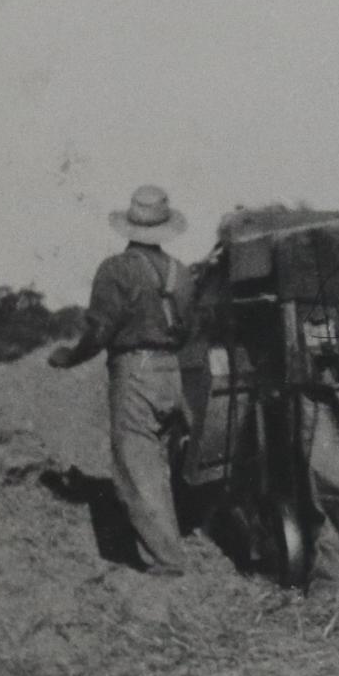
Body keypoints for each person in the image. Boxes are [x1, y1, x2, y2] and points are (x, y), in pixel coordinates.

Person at [49, 185, 196, 577]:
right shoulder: (182, 274)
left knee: (137, 463)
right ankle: (170, 543)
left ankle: (167, 560)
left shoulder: (116, 269)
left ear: (129, 226)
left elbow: (99, 331)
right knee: (158, 461)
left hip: (136, 371)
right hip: (171, 371)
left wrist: (70, 356)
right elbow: (189, 331)